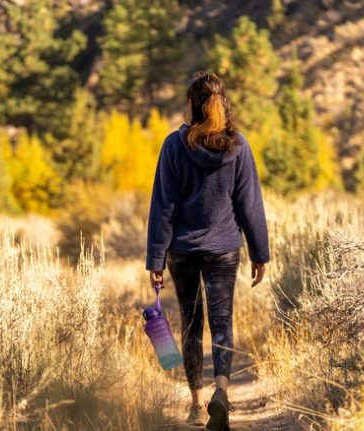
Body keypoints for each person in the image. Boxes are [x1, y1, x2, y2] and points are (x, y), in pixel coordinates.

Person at [145, 71, 270, 430]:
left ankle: (197, 405)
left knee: (191, 323)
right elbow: (250, 204)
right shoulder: (238, 145)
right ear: (223, 103)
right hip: (224, 249)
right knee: (222, 322)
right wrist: (260, 252)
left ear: (192, 105)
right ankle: (222, 392)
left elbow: (163, 205)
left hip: (182, 250)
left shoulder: (173, 145)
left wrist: (155, 257)